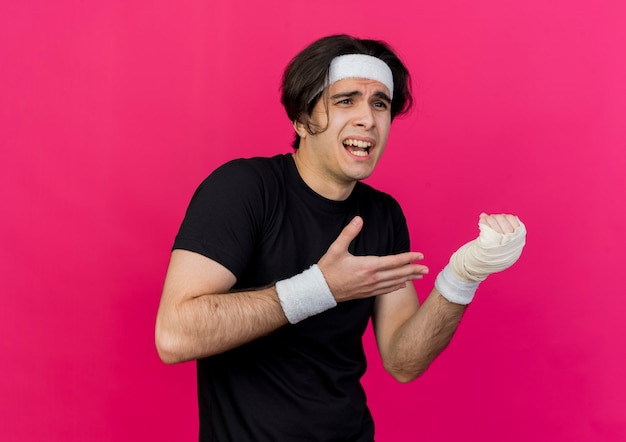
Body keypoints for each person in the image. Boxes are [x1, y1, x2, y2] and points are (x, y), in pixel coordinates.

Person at [155, 34, 526, 441]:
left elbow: (403, 361)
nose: (367, 118)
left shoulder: (382, 214)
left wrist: (463, 276)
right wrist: (320, 288)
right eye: (346, 100)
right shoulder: (243, 189)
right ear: (301, 120)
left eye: (379, 103)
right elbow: (175, 335)